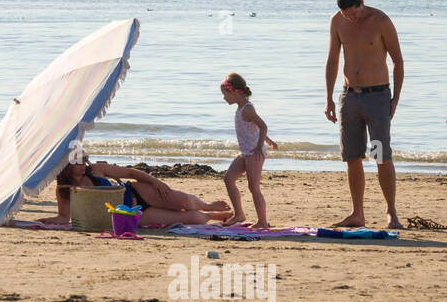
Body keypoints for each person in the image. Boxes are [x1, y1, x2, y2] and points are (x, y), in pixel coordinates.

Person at [325, 0, 404, 229]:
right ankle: (357, 213)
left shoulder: (380, 20)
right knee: (352, 156)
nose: (350, 19)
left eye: (353, 13)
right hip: (349, 97)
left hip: (377, 97)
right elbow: (332, 60)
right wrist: (328, 97)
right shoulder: (337, 21)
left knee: (380, 155)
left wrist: (395, 100)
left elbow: (398, 62)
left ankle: (391, 212)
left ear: (361, 3)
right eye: (345, 14)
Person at [43, 160, 233, 226]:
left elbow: (130, 173)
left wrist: (155, 181)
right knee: (191, 219)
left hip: (139, 192)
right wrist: (37, 222)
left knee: (186, 202)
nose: (82, 164)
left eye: (83, 158)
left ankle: (206, 205)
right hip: (132, 213)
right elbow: (63, 218)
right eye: (77, 161)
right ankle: (212, 215)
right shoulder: (64, 190)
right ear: (66, 166)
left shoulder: (96, 169)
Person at [220, 73, 278, 228]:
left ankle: (262, 222)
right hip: (245, 152)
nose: (224, 98)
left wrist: (260, 146)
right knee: (228, 179)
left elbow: (263, 126)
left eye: (225, 94)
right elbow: (256, 129)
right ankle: (239, 215)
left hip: (254, 153)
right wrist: (268, 140)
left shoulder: (247, 109)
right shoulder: (240, 108)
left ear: (235, 92)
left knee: (253, 187)